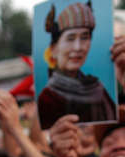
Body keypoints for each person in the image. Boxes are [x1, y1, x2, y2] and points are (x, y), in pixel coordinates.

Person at [38, 1, 116, 129]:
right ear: (53, 48)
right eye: (70, 38)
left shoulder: (96, 88)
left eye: (84, 38)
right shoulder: (48, 99)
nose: (78, 47)